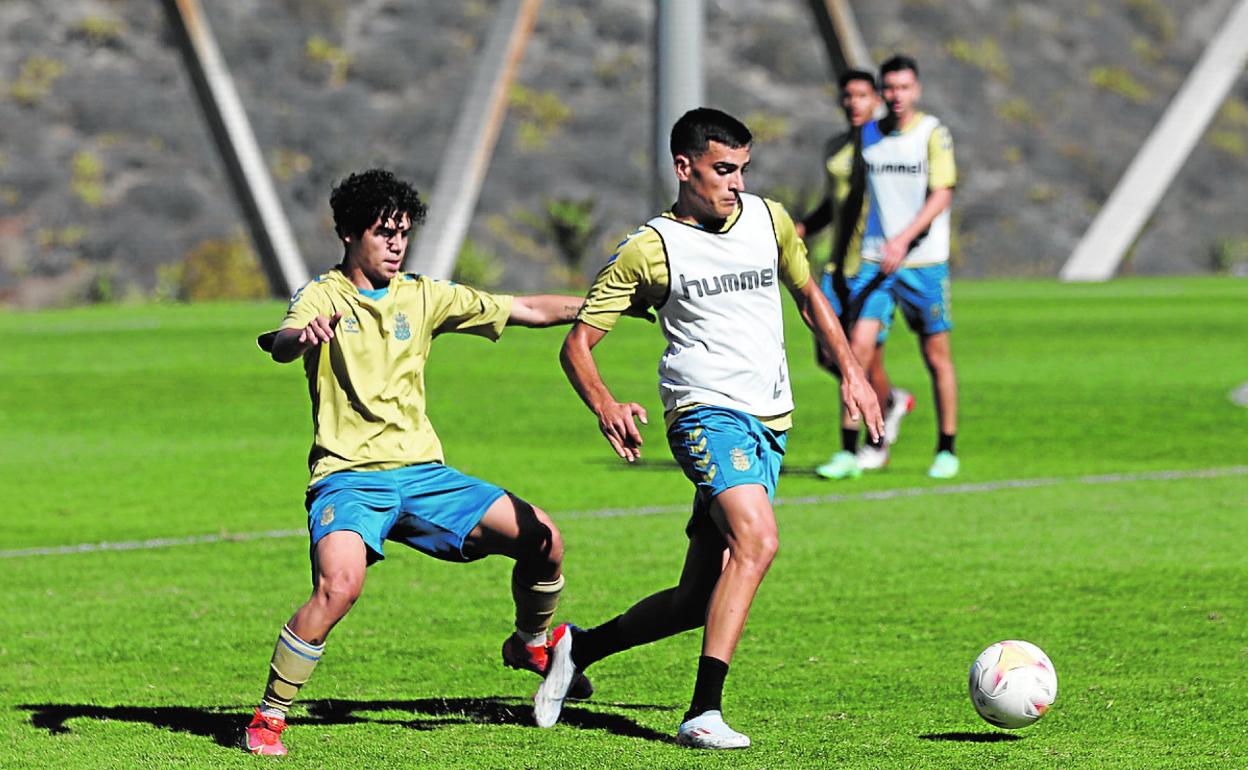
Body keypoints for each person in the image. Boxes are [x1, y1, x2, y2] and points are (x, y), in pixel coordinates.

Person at [543, 108, 883, 749]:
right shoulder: (651, 248)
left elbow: (810, 297)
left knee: (697, 597)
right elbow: (578, 345)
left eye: (743, 170)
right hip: (703, 414)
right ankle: (703, 711)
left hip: (770, 420)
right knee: (757, 542)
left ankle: (577, 648)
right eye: (724, 170)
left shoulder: (769, 219)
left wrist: (853, 373)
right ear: (684, 167)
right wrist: (607, 404)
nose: (737, 183)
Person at [241, 168, 588, 756]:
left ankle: (530, 642)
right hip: (348, 478)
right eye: (384, 233)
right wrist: (302, 338)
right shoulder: (322, 294)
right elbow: (283, 339)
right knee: (339, 587)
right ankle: (269, 716)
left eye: (403, 233)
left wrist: (602, 306)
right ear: (349, 234)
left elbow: (526, 307)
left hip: (424, 476)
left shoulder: (424, 295)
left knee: (545, 538)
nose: (397, 244)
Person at [797, 68, 916, 480]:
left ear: (877, 101)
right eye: (848, 96)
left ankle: (860, 447)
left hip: (877, 268)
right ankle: (892, 402)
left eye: (863, 95)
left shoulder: (891, 150)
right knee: (830, 355)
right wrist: (801, 229)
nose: (854, 103)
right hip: (837, 268)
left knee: (857, 353)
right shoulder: (836, 149)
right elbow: (835, 205)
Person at [848, 54, 960, 478]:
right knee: (859, 349)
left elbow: (942, 193)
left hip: (923, 262)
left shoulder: (932, 134)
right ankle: (868, 442)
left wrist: (905, 238)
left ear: (917, 90)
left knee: (936, 356)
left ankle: (946, 447)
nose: (896, 96)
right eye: (889, 88)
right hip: (877, 261)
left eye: (904, 87)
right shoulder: (869, 135)